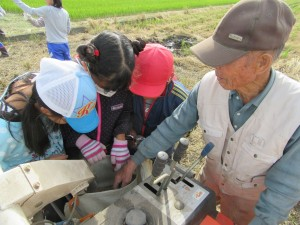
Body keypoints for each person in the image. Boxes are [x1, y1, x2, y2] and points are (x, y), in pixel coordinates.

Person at [114, 0, 300, 224]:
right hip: (209, 180)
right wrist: (135, 160)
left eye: (224, 60)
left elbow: (283, 191)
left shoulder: (293, 112)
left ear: (262, 62)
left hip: (250, 202)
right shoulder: (209, 85)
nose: (215, 68)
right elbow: (174, 126)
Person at [61, 30, 146, 171]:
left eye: (116, 88)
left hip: (107, 148)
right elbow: (58, 120)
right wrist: (80, 141)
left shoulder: (121, 81)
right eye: (105, 86)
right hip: (76, 151)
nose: (110, 92)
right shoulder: (70, 84)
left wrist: (120, 138)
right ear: (88, 66)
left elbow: (125, 111)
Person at [0, 57, 98, 171]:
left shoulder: (48, 82)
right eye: (69, 120)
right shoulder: (4, 134)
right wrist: (42, 166)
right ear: (45, 112)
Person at [128, 43, 189, 154]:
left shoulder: (180, 100)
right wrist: (128, 130)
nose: (145, 95)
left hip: (161, 150)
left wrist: (154, 142)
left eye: (152, 90)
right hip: (130, 143)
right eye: (141, 88)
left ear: (169, 79)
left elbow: (182, 129)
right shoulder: (127, 88)